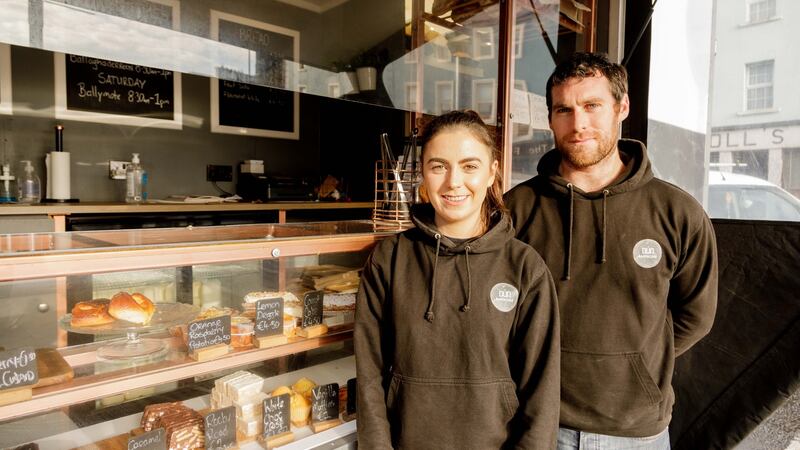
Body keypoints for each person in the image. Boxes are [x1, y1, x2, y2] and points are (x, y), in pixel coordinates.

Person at [505, 52, 718, 449]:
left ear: (622, 108)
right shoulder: (516, 209)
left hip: (636, 433)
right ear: (550, 119)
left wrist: (637, 361)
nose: (578, 123)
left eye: (592, 106)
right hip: (537, 425)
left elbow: (697, 315)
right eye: (563, 110)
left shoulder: (677, 212)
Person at [355, 110, 561, 449]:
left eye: (470, 166)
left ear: (492, 172)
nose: (453, 181)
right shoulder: (390, 258)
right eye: (439, 166)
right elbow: (369, 375)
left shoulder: (525, 267)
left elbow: (542, 390)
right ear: (422, 172)